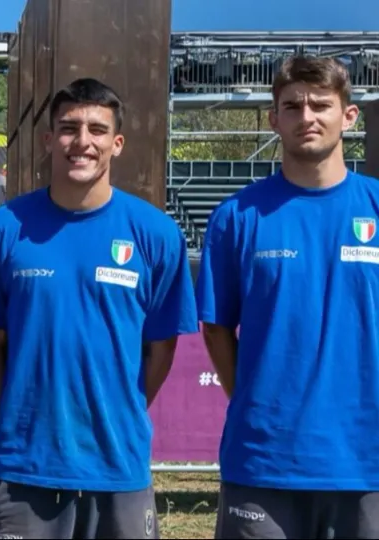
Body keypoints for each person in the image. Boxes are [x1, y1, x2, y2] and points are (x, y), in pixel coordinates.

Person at [0, 78, 198, 540]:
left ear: (117, 143)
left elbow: (161, 349)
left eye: (97, 129)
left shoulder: (155, 233)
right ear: (49, 139)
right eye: (69, 128)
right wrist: (18, 422)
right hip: (27, 465)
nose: (82, 141)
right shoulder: (1, 230)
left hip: (119, 464)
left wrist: (121, 411)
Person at [197, 55, 379, 539]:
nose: (307, 117)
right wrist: (256, 401)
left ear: (349, 116)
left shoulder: (374, 206)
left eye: (321, 105)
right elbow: (215, 328)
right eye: (293, 106)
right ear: (273, 119)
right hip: (264, 462)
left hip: (367, 465)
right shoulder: (237, 216)